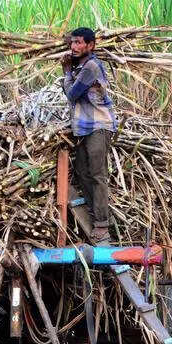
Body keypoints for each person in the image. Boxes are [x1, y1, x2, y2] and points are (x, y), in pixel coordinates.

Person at [60, 27, 117, 244]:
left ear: (90, 45)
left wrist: (66, 71)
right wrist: (69, 70)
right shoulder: (81, 67)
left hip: (98, 126)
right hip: (84, 128)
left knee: (97, 174)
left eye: (79, 43)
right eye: (72, 43)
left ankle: (102, 224)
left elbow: (72, 94)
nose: (74, 47)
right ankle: (97, 216)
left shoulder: (91, 67)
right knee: (82, 171)